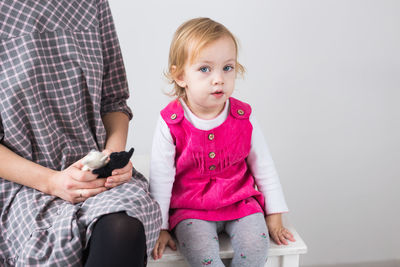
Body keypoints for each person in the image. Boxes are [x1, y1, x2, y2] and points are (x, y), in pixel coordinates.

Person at [0, 0, 161, 266]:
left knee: (122, 228)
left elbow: (113, 101)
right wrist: (53, 182)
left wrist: (113, 154)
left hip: (92, 174)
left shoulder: (92, 4)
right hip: (22, 184)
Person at [149, 17, 295, 266]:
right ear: (180, 75)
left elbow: (264, 165)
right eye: (205, 69)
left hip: (241, 203)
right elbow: (161, 178)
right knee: (201, 253)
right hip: (190, 209)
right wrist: (160, 227)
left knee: (255, 247)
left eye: (227, 68)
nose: (218, 79)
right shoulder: (171, 122)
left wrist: (275, 213)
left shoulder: (243, 116)